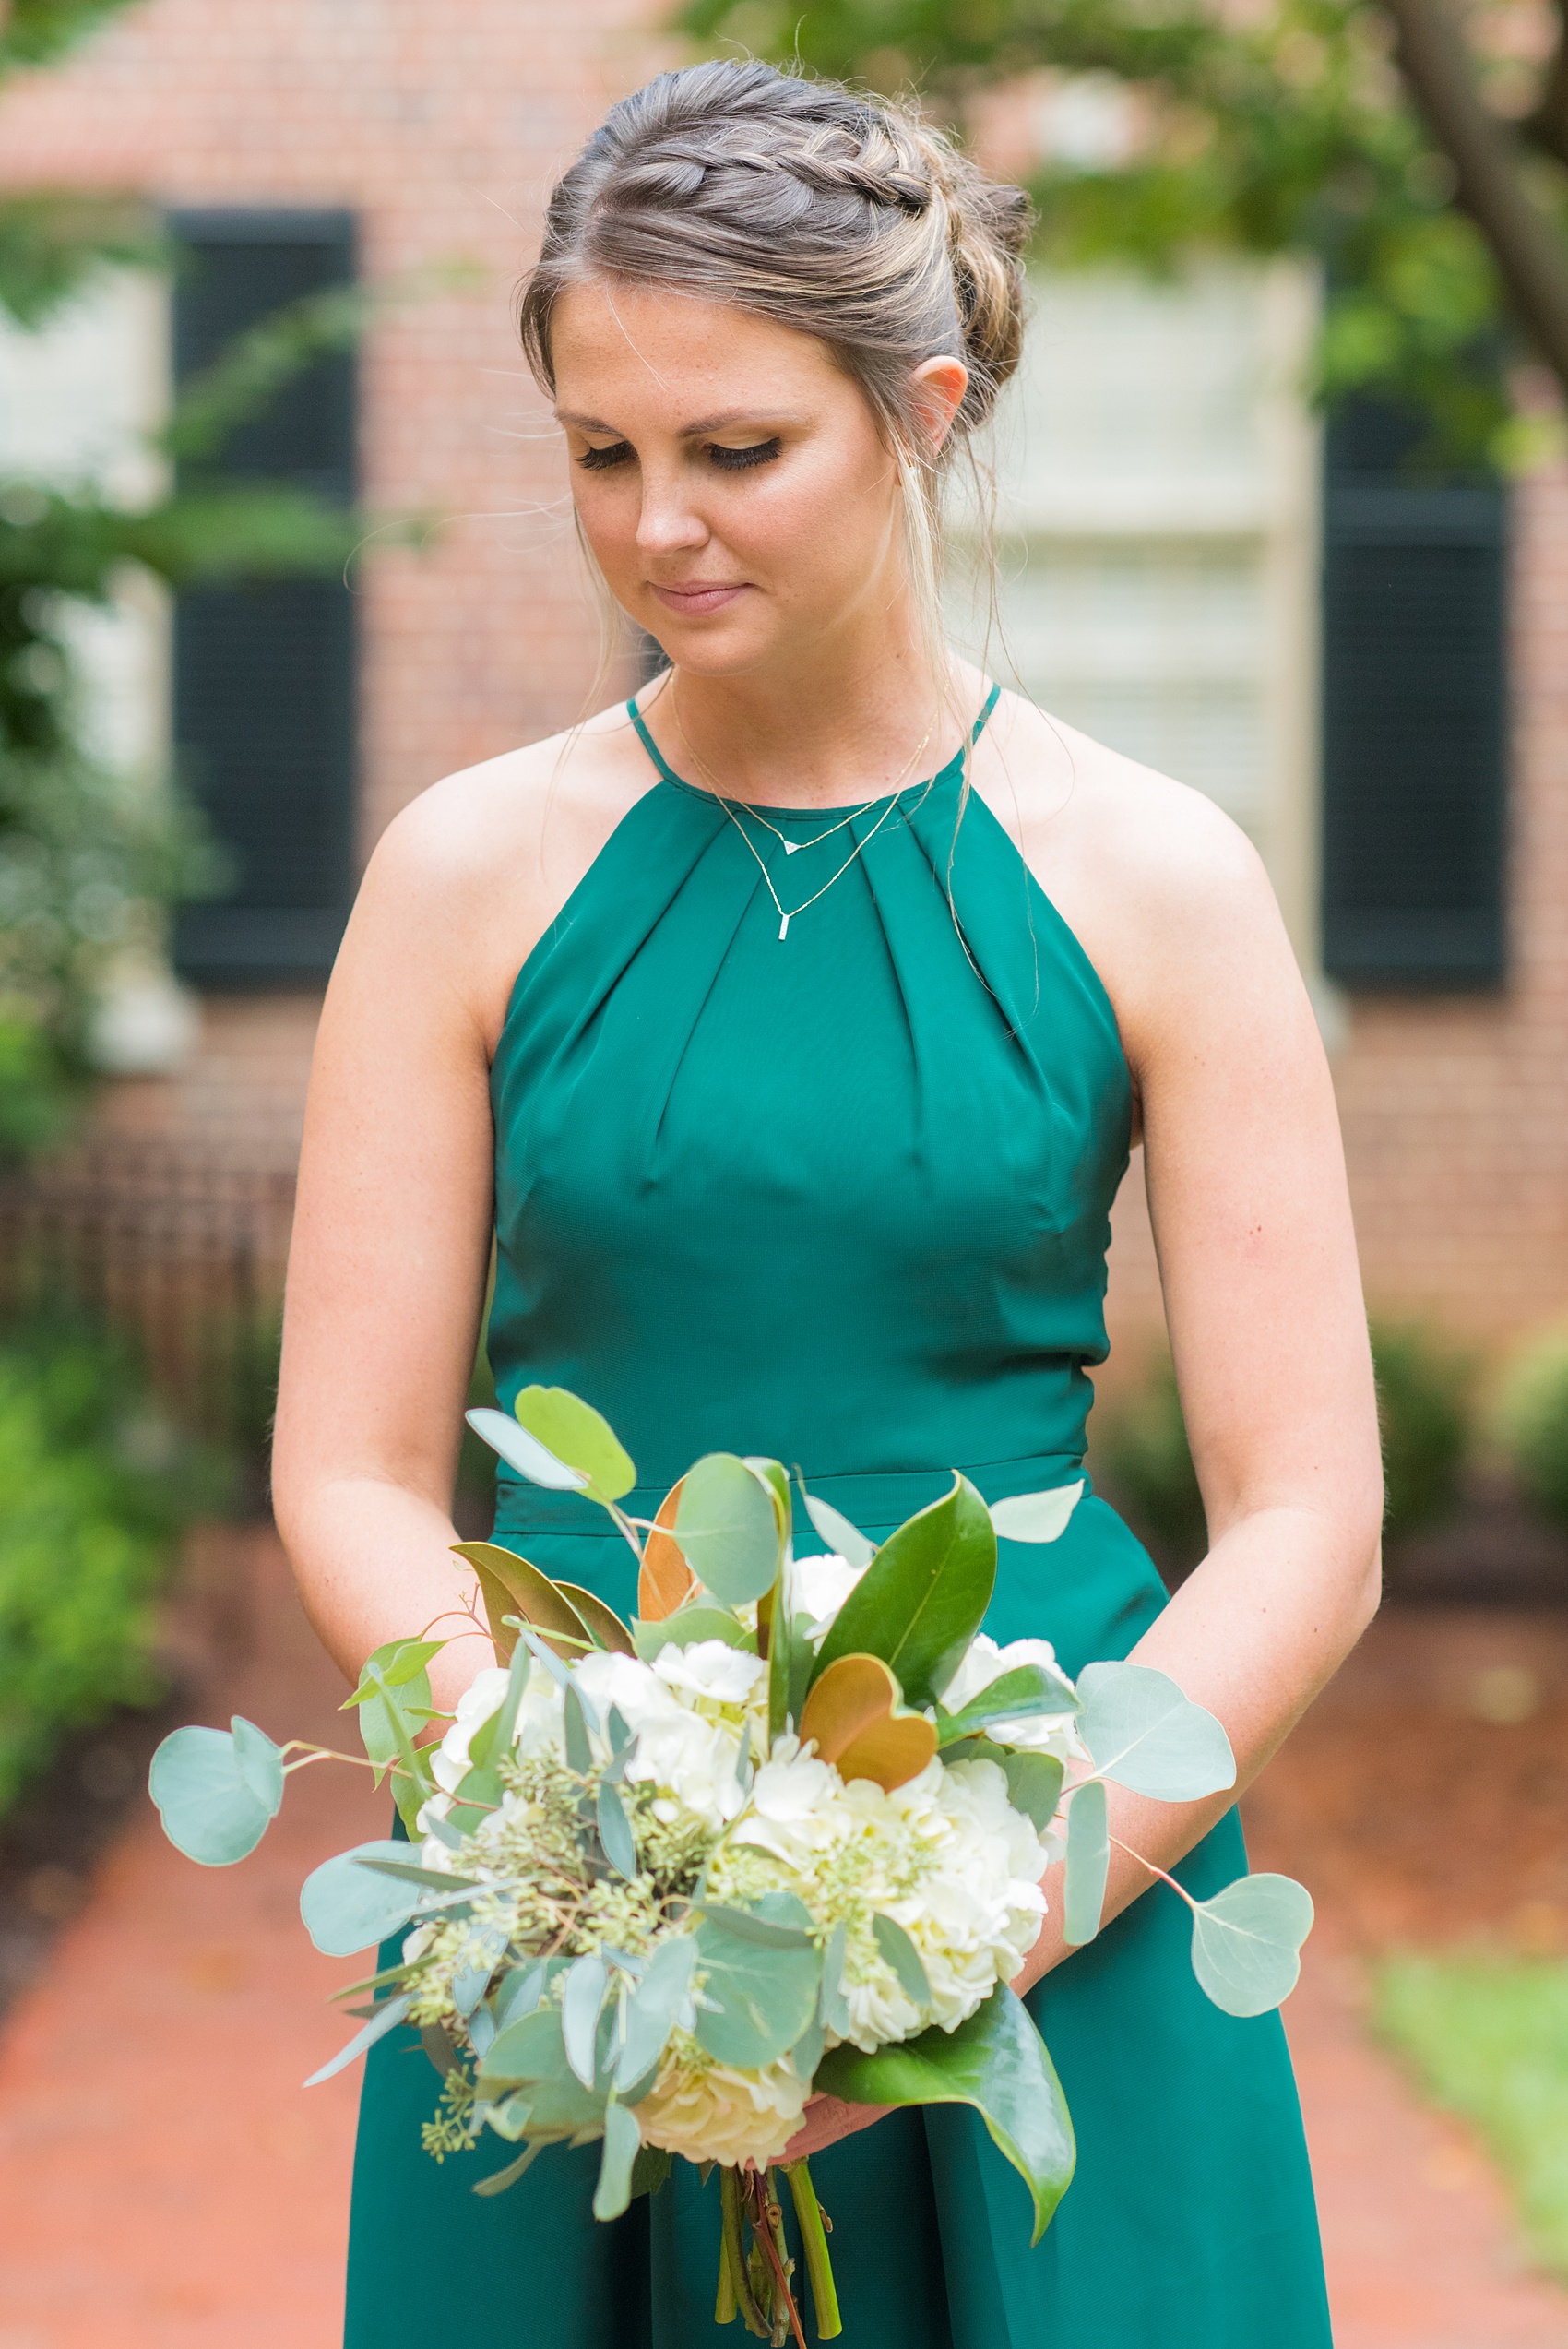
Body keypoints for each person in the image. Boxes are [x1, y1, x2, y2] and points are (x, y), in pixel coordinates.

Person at [272, 57, 1383, 2348]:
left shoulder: (1157, 878)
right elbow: (352, 1469)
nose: (656, 525)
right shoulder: (464, 875)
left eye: (733, 450)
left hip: (1060, 1859)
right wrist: (558, 1835)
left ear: (923, 408)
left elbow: (1312, 1517)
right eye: (602, 453)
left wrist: (979, 1908)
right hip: (559, 1873)